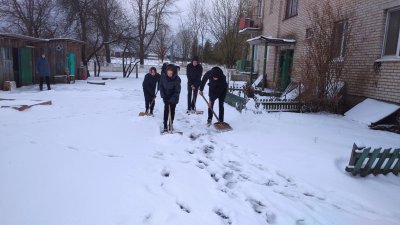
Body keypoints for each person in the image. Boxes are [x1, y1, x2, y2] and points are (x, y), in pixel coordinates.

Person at [159, 64, 181, 132]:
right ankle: (165, 126)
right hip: (165, 97)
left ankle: (170, 125)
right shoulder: (163, 77)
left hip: (173, 98)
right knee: (166, 110)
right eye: (168, 73)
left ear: (174, 72)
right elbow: (161, 86)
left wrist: (171, 99)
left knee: (172, 111)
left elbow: (177, 91)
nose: (169, 74)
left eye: (171, 73)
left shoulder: (177, 79)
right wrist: (163, 96)